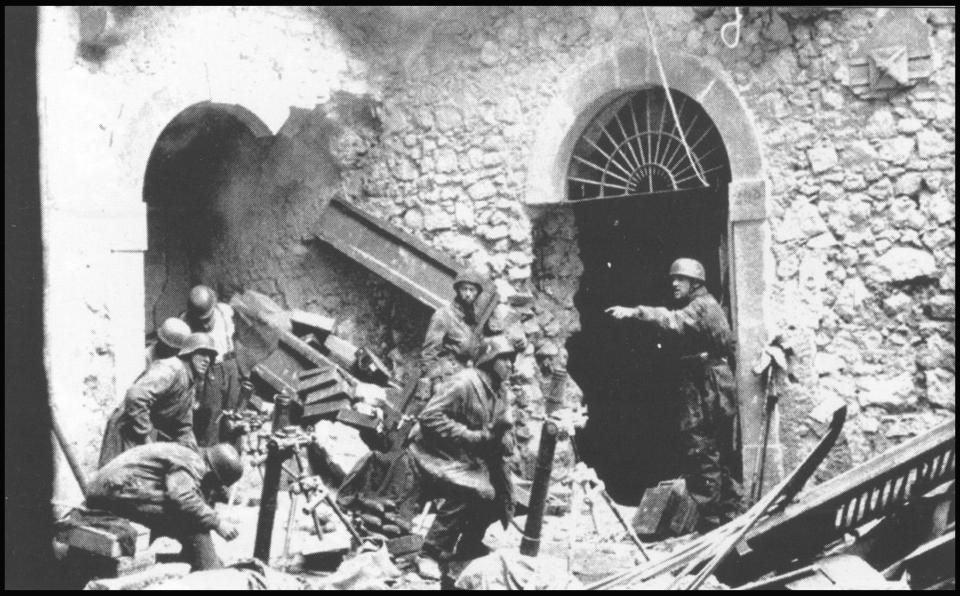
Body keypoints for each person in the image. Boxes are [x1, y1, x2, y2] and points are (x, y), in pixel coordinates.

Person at [605, 258, 743, 531]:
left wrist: (635, 312)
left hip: (707, 389)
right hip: (708, 386)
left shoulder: (702, 306)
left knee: (704, 453)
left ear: (695, 283)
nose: (674, 283)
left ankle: (712, 527)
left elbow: (674, 321)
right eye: (673, 279)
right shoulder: (703, 305)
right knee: (713, 456)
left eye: (680, 279)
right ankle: (729, 520)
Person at [409, 335, 517, 582]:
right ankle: (430, 552)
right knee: (473, 488)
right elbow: (430, 417)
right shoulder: (464, 382)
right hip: (435, 452)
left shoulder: (500, 390)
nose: (511, 366)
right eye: (505, 360)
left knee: (503, 494)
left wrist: (505, 440)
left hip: (468, 456)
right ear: (489, 359)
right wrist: (470, 435)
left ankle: (469, 547)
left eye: (513, 361)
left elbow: (503, 425)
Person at [86, 442, 243, 571]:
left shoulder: (188, 454)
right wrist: (218, 522)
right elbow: (182, 497)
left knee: (194, 512)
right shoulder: (194, 463)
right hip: (113, 493)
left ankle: (195, 559)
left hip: (110, 490)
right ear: (212, 472)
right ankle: (205, 567)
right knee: (192, 518)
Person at [98, 333, 217, 468]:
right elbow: (135, 396)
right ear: (189, 353)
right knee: (115, 481)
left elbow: (183, 426)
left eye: (210, 356)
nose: (206, 360)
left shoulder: (190, 383)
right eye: (202, 353)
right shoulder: (171, 369)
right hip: (127, 430)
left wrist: (195, 456)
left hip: (141, 433)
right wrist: (146, 438)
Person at [180, 284, 243, 447]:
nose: (206, 325)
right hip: (209, 373)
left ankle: (233, 458)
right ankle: (212, 461)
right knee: (211, 419)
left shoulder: (224, 311)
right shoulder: (185, 323)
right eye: (201, 321)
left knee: (234, 415)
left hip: (230, 366)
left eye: (208, 319)